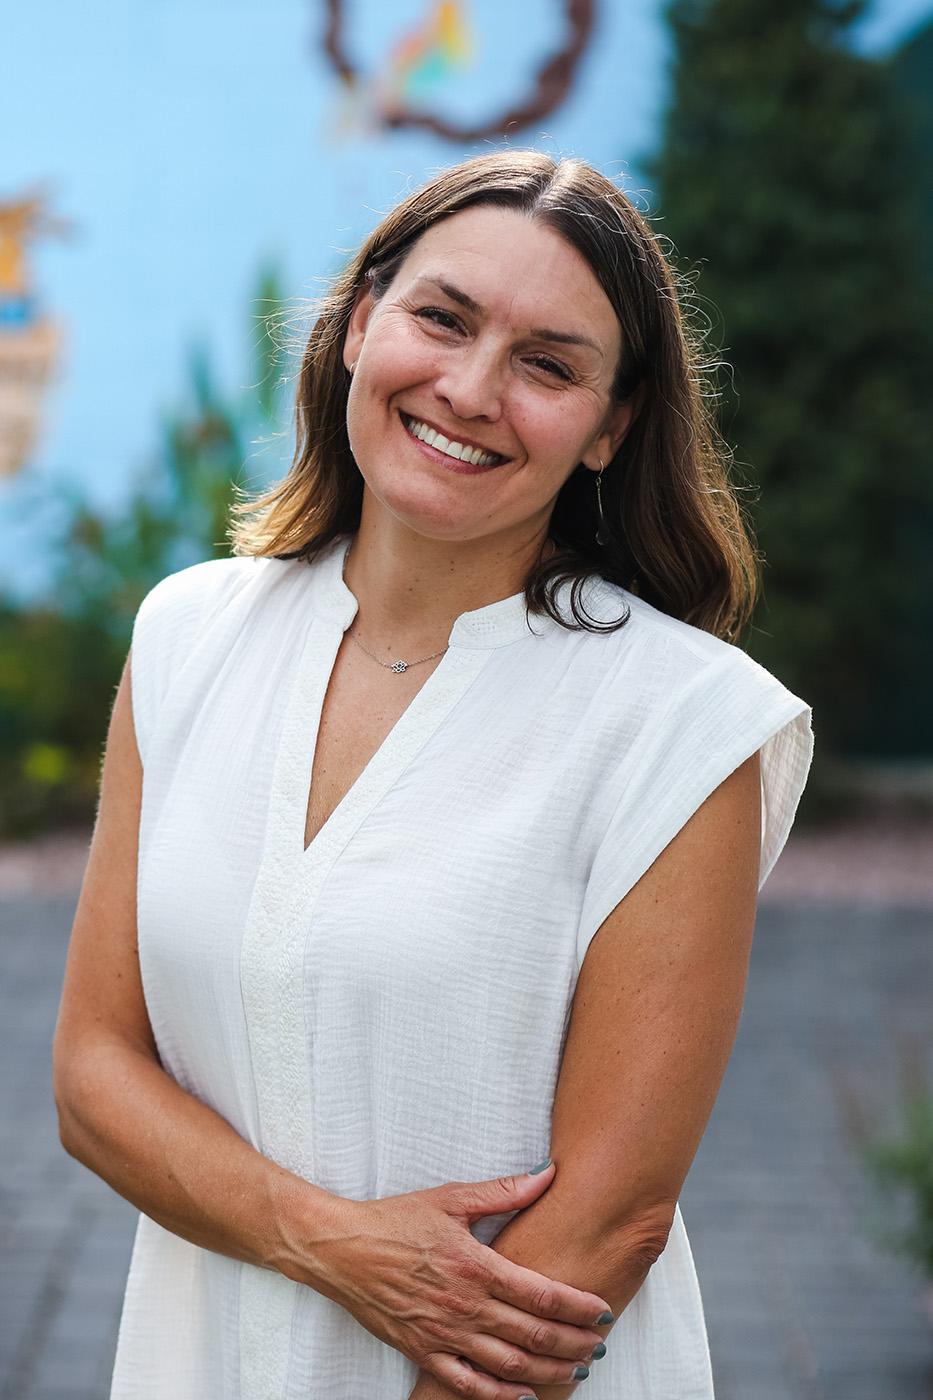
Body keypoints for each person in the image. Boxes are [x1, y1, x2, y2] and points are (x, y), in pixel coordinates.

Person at [52, 149, 814, 1400]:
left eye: (549, 364)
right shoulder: (188, 635)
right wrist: (332, 1240)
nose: (469, 389)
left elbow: (612, 1215)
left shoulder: (684, 720)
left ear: (613, 426)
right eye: (440, 319)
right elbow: (93, 1075)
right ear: (360, 326)